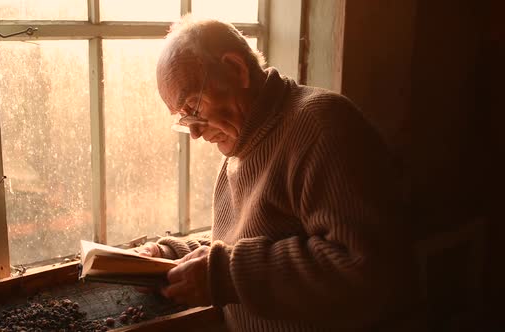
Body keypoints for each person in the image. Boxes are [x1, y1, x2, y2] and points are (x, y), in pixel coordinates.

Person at [135, 15, 419, 331]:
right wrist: (170, 254)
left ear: (236, 69)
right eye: (184, 120)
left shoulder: (321, 125)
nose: (197, 133)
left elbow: (365, 268)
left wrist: (225, 275)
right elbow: (253, 237)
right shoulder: (245, 139)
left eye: (194, 108)